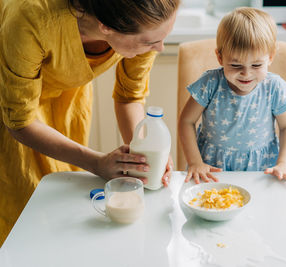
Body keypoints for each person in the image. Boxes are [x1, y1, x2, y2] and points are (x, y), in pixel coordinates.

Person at [0, 0, 180, 245]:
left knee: (63, 208)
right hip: (12, 101)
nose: (160, 48)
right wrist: (96, 163)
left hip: (66, 100)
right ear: (105, 26)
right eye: (150, 42)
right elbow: (19, 121)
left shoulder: (142, 20)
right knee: (20, 208)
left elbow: (129, 97)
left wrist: (142, 156)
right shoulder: (30, 19)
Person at [178, 7, 286, 187]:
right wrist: (195, 162)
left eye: (256, 65)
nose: (246, 74)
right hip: (212, 170)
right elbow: (186, 121)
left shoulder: (274, 87)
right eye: (235, 65)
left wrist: (284, 163)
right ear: (220, 57)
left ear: (270, 57)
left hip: (261, 171)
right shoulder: (210, 83)